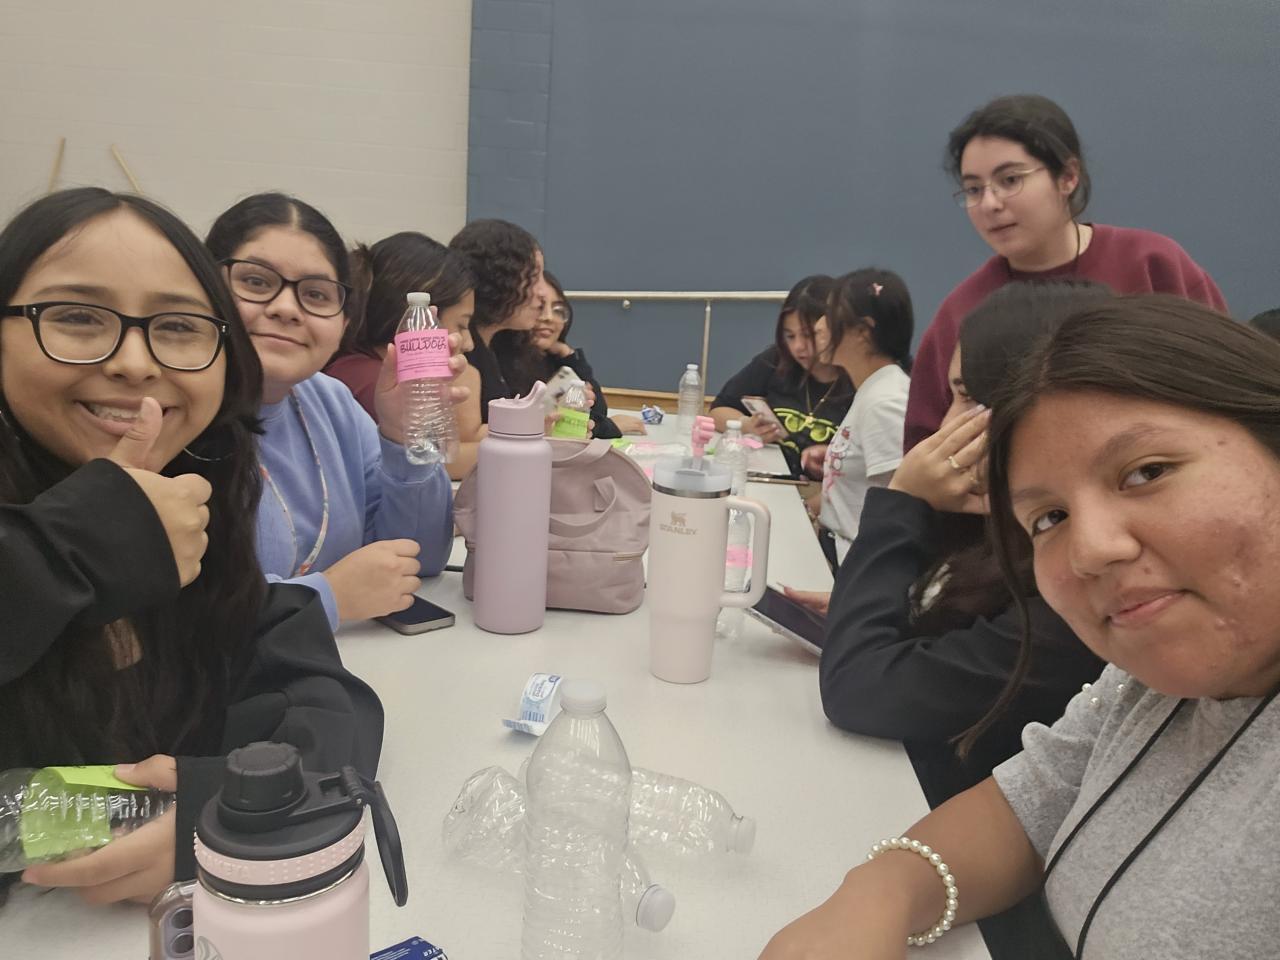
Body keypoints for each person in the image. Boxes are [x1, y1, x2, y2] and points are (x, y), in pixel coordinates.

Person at [761, 295, 1280, 960]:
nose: (1090, 550)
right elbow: (1036, 798)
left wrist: (900, 503)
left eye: (1147, 472)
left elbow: (866, 687)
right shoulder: (1143, 683)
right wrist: (883, 889)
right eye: (1050, 518)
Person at [0, 188, 383, 904]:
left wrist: (233, 807)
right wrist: (77, 545)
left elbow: (314, 690)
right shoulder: (114, 524)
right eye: (77, 317)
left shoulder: (202, 481)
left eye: (177, 326)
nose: (135, 362)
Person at [790, 280, 1110, 804]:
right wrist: (887, 604)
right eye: (952, 396)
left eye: (968, 399)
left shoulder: (1070, 601)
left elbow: (856, 689)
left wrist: (902, 500)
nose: (944, 425)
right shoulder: (992, 534)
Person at [905, 94, 1227, 451]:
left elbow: (1227, 383)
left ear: (1068, 176)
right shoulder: (961, 312)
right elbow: (926, 448)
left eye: (1010, 180)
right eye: (973, 189)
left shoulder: (1153, 264)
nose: (990, 204)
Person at [206, 194, 458, 630]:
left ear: (343, 324)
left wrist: (403, 436)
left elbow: (422, 559)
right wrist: (329, 597)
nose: (286, 309)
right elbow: (179, 616)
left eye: (316, 294)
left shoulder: (330, 401)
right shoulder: (177, 414)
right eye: (256, 282)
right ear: (205, 290)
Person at [324, 231, 485, 480]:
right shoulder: (370, 381)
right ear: (422, 318)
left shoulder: (357, 366)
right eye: (461, 325)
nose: (469, 343)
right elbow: (432, 461)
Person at [811, 269, 912, 563]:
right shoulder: (873, 389)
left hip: (857, 565)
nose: (818, 326)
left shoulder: (885, 402)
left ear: (863, 332)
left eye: (829, 315)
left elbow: (899, 508)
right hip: (840, 552)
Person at [710, 275, 853, 476]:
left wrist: (835, 462)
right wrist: (747, 425)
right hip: (769, 479)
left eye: (808, 335)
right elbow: (718, 410)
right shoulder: (776, 361)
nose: (798, 347)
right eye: (790, 336)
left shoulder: (857, 379)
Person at [502, 270, 646, 439]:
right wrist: (607, 427)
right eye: (539, 307)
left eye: (557, 309)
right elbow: (549, 422)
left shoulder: (550, 358)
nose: (549, 317)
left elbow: (597, 409)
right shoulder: (505, 364)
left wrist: (567, 354)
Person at [449, 218, 544, 423]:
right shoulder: (461, 352)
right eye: (534, 277)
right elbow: (466, 438)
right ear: (500, 277)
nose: (542, 292)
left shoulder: (503, 347)